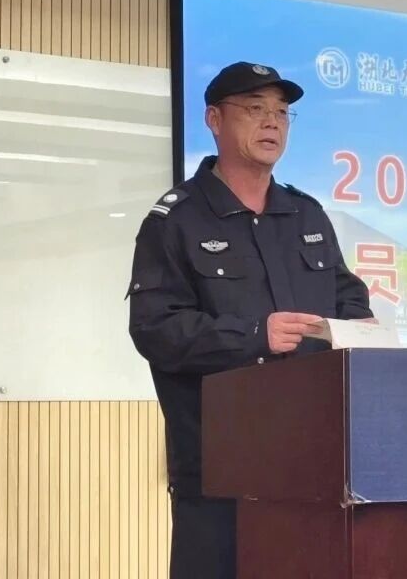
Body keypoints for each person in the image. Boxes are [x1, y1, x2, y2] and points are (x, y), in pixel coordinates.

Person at [126, 61, 373, 578]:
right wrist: (255, 336)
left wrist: (360, 331)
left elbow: (349, 299)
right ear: (214, 119)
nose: (272, 122)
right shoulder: (176, 220)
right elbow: (156, 328)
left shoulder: (306, 214)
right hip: (220, 469)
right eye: (255, 108)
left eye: (282, 112)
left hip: (315, 463)